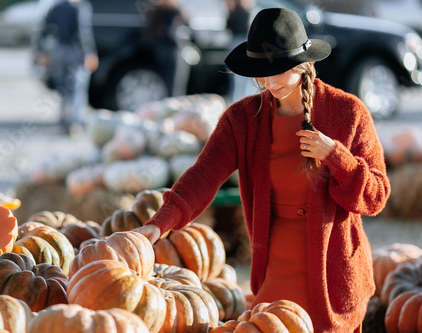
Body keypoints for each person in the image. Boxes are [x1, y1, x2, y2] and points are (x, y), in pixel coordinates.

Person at [135, 7, 390, 332]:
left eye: (278, 71)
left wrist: (335, 156)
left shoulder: (349, 113)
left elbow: (377, 196)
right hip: (276, 270)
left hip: (333, 274)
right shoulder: (242, 119)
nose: (268, 83)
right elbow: (202, 177)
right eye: (260, 73)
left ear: (302, 64)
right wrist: (156, 227)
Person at [34, 0, 99, 136]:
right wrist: (88, 53)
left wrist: (41, 50)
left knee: (63, 89)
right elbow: (83, 31)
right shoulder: (80, 7)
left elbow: (45, 29)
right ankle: (74, 123)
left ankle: (63, 122)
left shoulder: (56, 7)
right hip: (75, 52)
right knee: (76, 89)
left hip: (58, 52)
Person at [142, 0, 190, 97]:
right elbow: (179, 29)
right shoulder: (174, 11)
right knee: (176, 84)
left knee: (164, 83)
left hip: (160, 50)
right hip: (173, 50)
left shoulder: (157, 11)